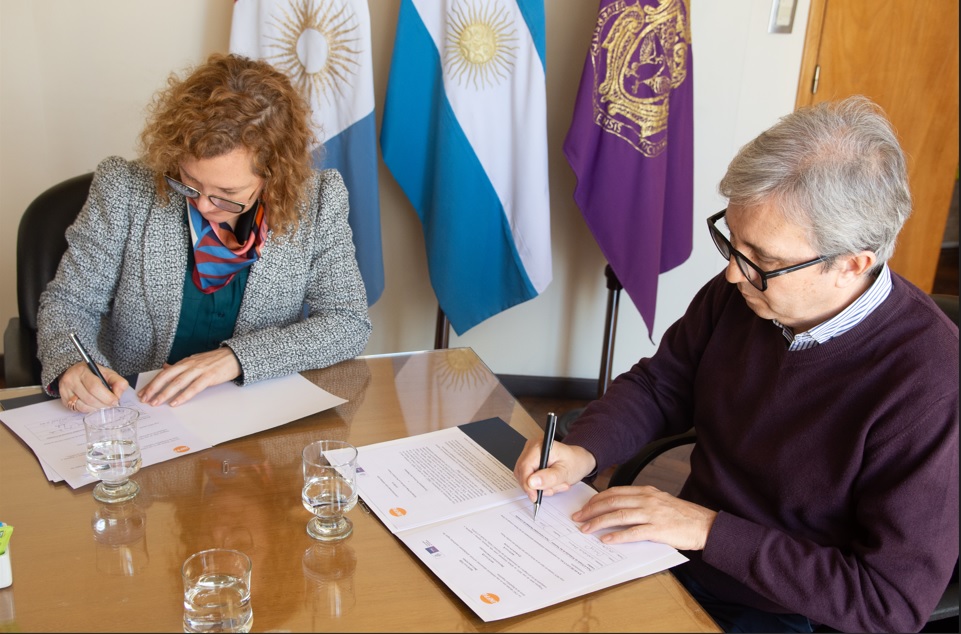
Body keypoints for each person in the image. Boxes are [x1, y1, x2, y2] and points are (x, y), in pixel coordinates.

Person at [514, 96, 959, 632]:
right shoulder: (746, 292)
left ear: (853, 264)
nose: (731, 274)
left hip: (795, 609)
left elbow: (888, 602)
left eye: (762, 259)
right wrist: (583, 449)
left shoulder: (932, 385)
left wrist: (707, 529)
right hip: (679, 555)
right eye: (731, 240)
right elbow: (663, 385)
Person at [37, 53, 371, 412]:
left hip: (257, 414)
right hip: (140, 412)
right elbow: (69, 303)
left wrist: (234, 359)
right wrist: (73, 365)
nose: (205, 207)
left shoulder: (317, 203)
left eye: (227, 196)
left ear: (274, 175)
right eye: (190, 184)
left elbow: (347, 321)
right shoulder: (125, 189)